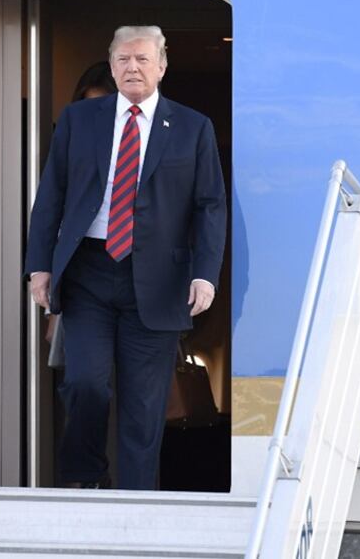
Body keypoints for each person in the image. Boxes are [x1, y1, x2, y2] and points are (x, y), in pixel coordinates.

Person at [25, 25, 227, 490]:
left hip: (159, 281)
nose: (132, 67)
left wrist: (205, 274)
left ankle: (139, 507)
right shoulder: (80, 119)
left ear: (162, 65)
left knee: (144, 407)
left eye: (142, 59)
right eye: (123, 59)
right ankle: (85, 480)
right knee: (85, 385)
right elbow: (51, 195)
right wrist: (40, 265)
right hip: (89, 273)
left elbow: (209, 207)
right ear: (112, 65)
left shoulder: (193, 127)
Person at [47, 61, 119, 369]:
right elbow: (54, 219)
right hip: (83, 278)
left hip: (140, 281)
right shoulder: (72, 153)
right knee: (85, 382)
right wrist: (53, 308)